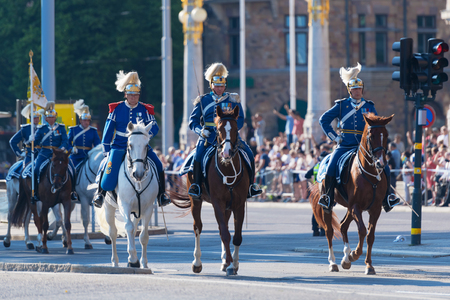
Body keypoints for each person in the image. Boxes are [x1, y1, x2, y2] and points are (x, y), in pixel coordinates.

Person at [318, 63, 400, 213]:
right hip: (345, 144)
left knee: (385, 167)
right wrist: (335, 138)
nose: (358, 91)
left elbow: (375, 123)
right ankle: (328, 197)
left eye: (359, 89)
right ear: (350, 91)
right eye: (355, 89)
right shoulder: (341, 105)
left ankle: (388, 197)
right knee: (331, 167)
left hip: (365, 147)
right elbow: (323, 120)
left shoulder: (369, 106)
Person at [92, 70, 170, 208]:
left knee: (158, 164)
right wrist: (106, 149)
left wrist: (144, 137)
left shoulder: (145, 109)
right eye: (131, 95)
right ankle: (100, 194)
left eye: (136, 95)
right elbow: (108, 130)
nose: (133, 97)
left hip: (140, 146)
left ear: (139, 95)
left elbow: (155, 127)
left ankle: (162, 195)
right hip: (119, 145)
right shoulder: (117, 109)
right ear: (125, 95)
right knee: (107, 166)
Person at [187, 62, 262, 199]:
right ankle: (196, 185)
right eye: (217, 86)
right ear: (211, 85)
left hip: (229, 136)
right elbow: (193, 122)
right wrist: (201, 132)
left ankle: (251, 185)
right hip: (208, 135)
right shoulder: (203, 100)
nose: (220, 88)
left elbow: (240, 119)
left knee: (249, 154)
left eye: (222, 86)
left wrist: (232, 131)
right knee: (198, 156)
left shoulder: (232, 99)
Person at [30, 101, 78, 204]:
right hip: (44, 153)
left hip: (59, 154)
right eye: (49, 117)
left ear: (55, 118)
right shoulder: (41, 128)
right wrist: (32, 139)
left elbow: (65, 141)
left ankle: (73, 192)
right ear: (46, 118)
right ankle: (35, 192)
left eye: (52, 117)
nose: (51, 119)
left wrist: (60, 149)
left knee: (72, 168)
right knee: (36, 169)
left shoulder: (60, 128)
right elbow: (37, 142)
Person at [7, 105, 41, 180]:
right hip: (30, 154)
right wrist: (20, 153)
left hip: (41, 154)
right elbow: (12, 141)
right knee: (25, 173)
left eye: (37, 118)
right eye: (34, 118)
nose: (36, 119)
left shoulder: (42, 128)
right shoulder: (25, 129)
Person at [68, 99, 101, 168]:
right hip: (75, 157)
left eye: (88, 120)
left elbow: (98, 145)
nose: (86, 122)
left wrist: (94, 153)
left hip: (88, 158)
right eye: (84, 120)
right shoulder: (73, 130)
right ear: (80, 120)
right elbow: (67, 142)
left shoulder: (93, 131)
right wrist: (71, 149)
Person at [304, 151, 328, 236]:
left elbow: (307, 175)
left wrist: (312, 184)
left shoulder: (316, 166)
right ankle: (322, 228)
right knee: (324, 210)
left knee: (315, 210)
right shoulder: (327, 165)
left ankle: (315, 230)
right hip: (324, 190)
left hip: (316, 190)